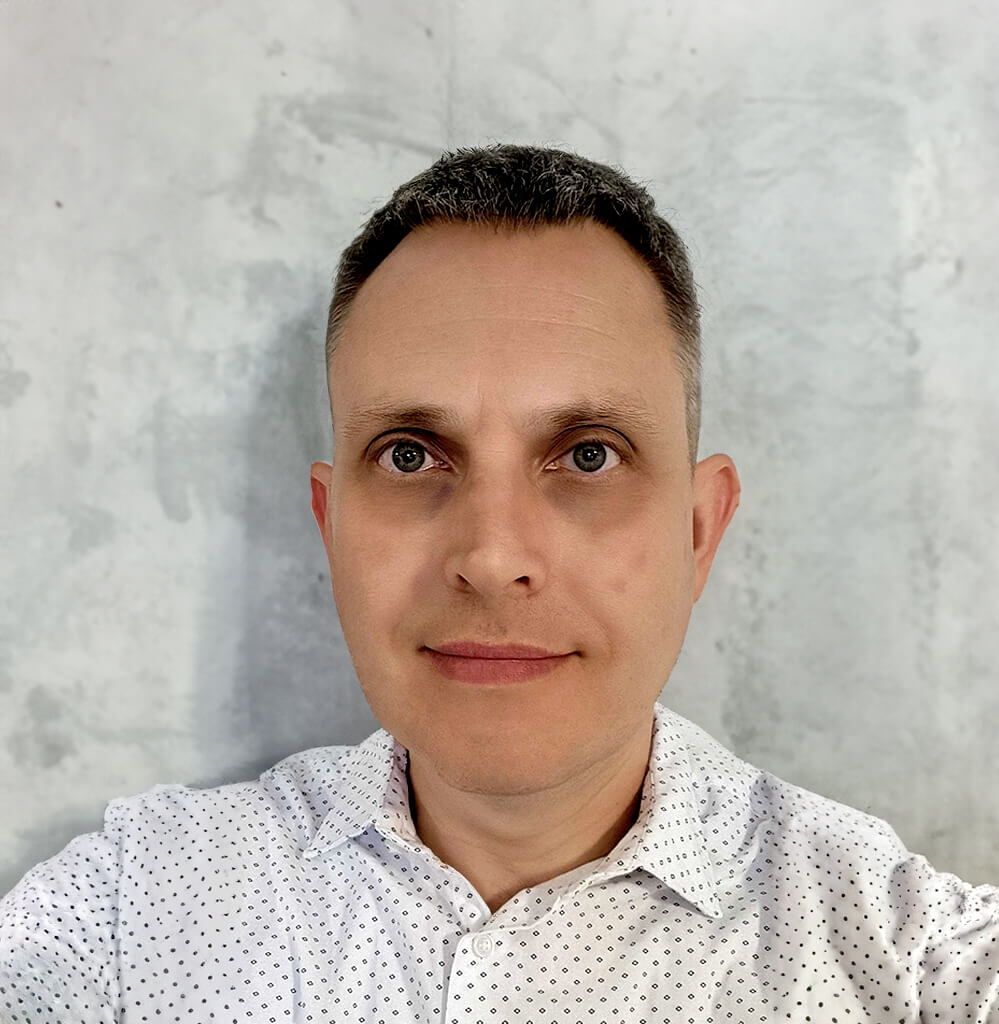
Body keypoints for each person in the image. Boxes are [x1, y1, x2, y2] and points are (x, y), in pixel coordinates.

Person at [1, 143, 996, 1023]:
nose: (489, 554)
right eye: (408, 454)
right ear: (330, 525)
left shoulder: (906, 956)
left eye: (589, 454)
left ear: (698, 531)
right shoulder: (125, 914)